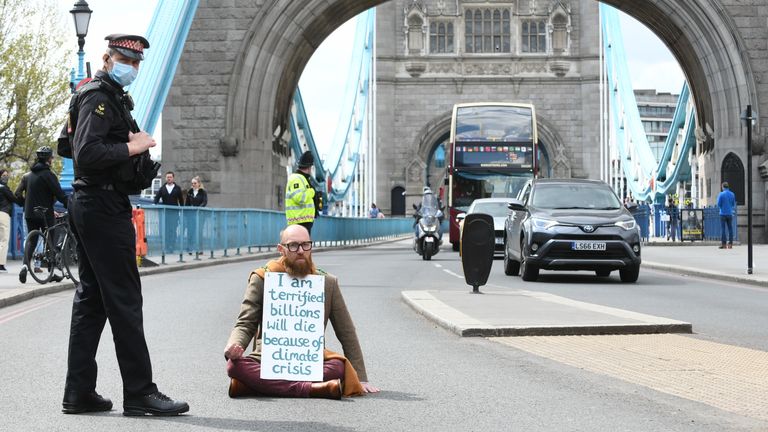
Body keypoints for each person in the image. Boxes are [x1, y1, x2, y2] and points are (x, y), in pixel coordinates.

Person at [63, 34, 188, 416]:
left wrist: (137, 156)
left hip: (95, 202)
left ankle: (79, 392)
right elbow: (85, 153)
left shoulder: (109, 96)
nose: (131, 68)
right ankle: (140, 392)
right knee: (125, 299)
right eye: (125, 60)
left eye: (136, 63)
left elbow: (77, 149)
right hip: (101, 206)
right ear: (107, 58)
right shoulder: (98, 97)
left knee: (93, 301)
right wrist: (133, 147)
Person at [224, 224, 380, 399]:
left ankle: (254, 386)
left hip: (309, 360)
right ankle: (314, 389)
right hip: (268, 359)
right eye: (293, 245)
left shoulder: (327, 282)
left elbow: (346, 331)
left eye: (306, 245)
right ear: (281, 249)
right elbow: (245, 323)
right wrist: (234, 346)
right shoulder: (262, 278)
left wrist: (360, 377)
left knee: (339, 366)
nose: (300, 251)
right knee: (233, 366)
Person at [15, 146, 69, 283]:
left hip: (29, 213)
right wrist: (70, 206)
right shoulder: (49, 175)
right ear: (48, 159)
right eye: (51, 157)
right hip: (45, 213)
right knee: (50, 239)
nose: (52, 159)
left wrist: (25, 204)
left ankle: (24, 266)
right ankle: (50, 271)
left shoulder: (27, 176)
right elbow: (60, 195)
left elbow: (17, 194)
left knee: (32, 240)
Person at [285, 151, 319, 233]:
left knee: (304, 245)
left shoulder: (303, 179)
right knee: (300, 245)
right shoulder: (296, 179)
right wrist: (312, 191)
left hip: (303, 221)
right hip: (298, 222)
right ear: (309, 167)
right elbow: (300, 198)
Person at [154, 171, 183, 252]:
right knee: (166, 230)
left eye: (170, 177)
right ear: (165, 178)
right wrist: (155, 205)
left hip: (174, 213)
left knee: (173, 230)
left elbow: (181, 200)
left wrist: (182, 210)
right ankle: (166, 247)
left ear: (173, 178)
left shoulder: (177, 188)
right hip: (165, 213)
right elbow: (156, 198)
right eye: (167, 177)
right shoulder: (162, 188)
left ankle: (172, 246)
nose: (169, 178)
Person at [0, 169, 22, 273]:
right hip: (3, 214)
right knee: (4, 240)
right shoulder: (4, 188)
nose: (6, 177)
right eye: (4, 175)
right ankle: (1, 265)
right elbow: (14, 199)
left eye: (6, 175)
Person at [184, 176, 207, 253]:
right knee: (190, 231)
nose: (193, 184)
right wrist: (186, 214)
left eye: (195, 183)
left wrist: (198, 208)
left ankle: (200, 249)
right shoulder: (190, 192)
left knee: (199, 232)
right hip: (191, 215)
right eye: (192, 183)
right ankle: (189, 248)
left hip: (200, 215)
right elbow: (186, 203)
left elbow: (204, 202)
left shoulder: (203, 192)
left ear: (199, 183)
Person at [717, 181, 736, 249]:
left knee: (723, 229)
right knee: (730, 229)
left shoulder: (721, 194)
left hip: (723, 213)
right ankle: (730, 244)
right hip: (730, 213)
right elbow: (733, 204)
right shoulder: (732, 194)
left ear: (723, 187)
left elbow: (718, 204)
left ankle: (724, 244)